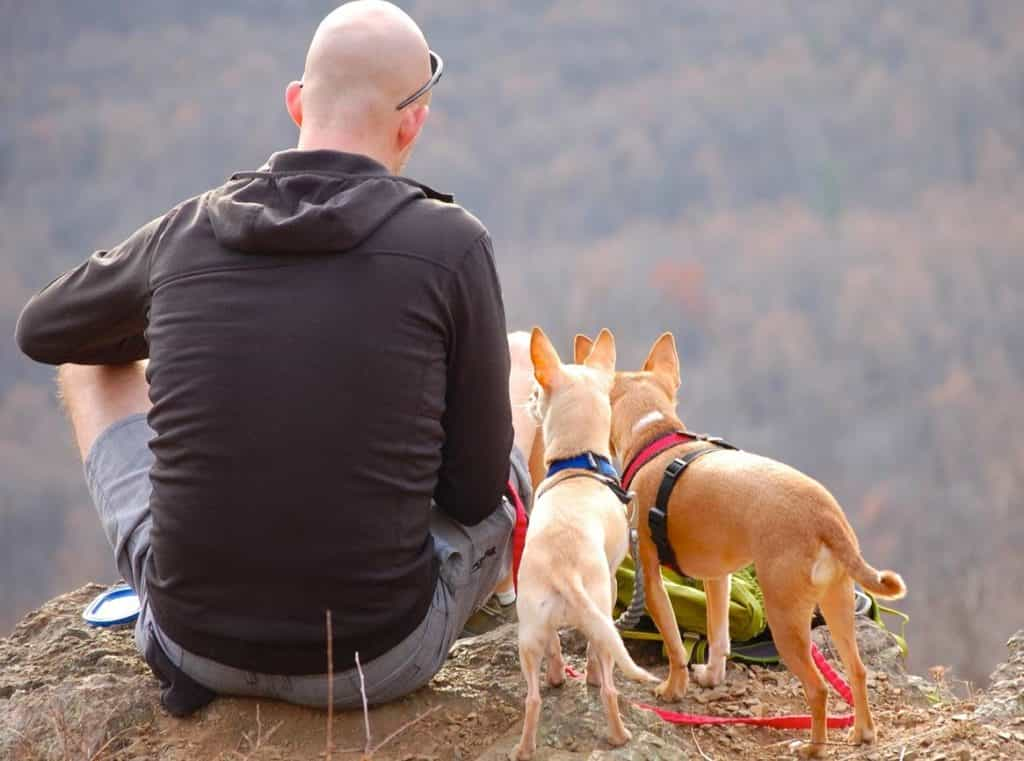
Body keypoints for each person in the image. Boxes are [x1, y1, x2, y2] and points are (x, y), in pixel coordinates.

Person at [15, 0, 537, 714]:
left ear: (296, 102)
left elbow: (46, 330)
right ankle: (502, 602)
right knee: (516, 361)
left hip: (191, 642)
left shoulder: (188, 231)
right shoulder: (452, 246)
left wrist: (189, 322)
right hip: (377, 656)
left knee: (87, 361)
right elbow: (476, 495)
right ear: (413, 120)